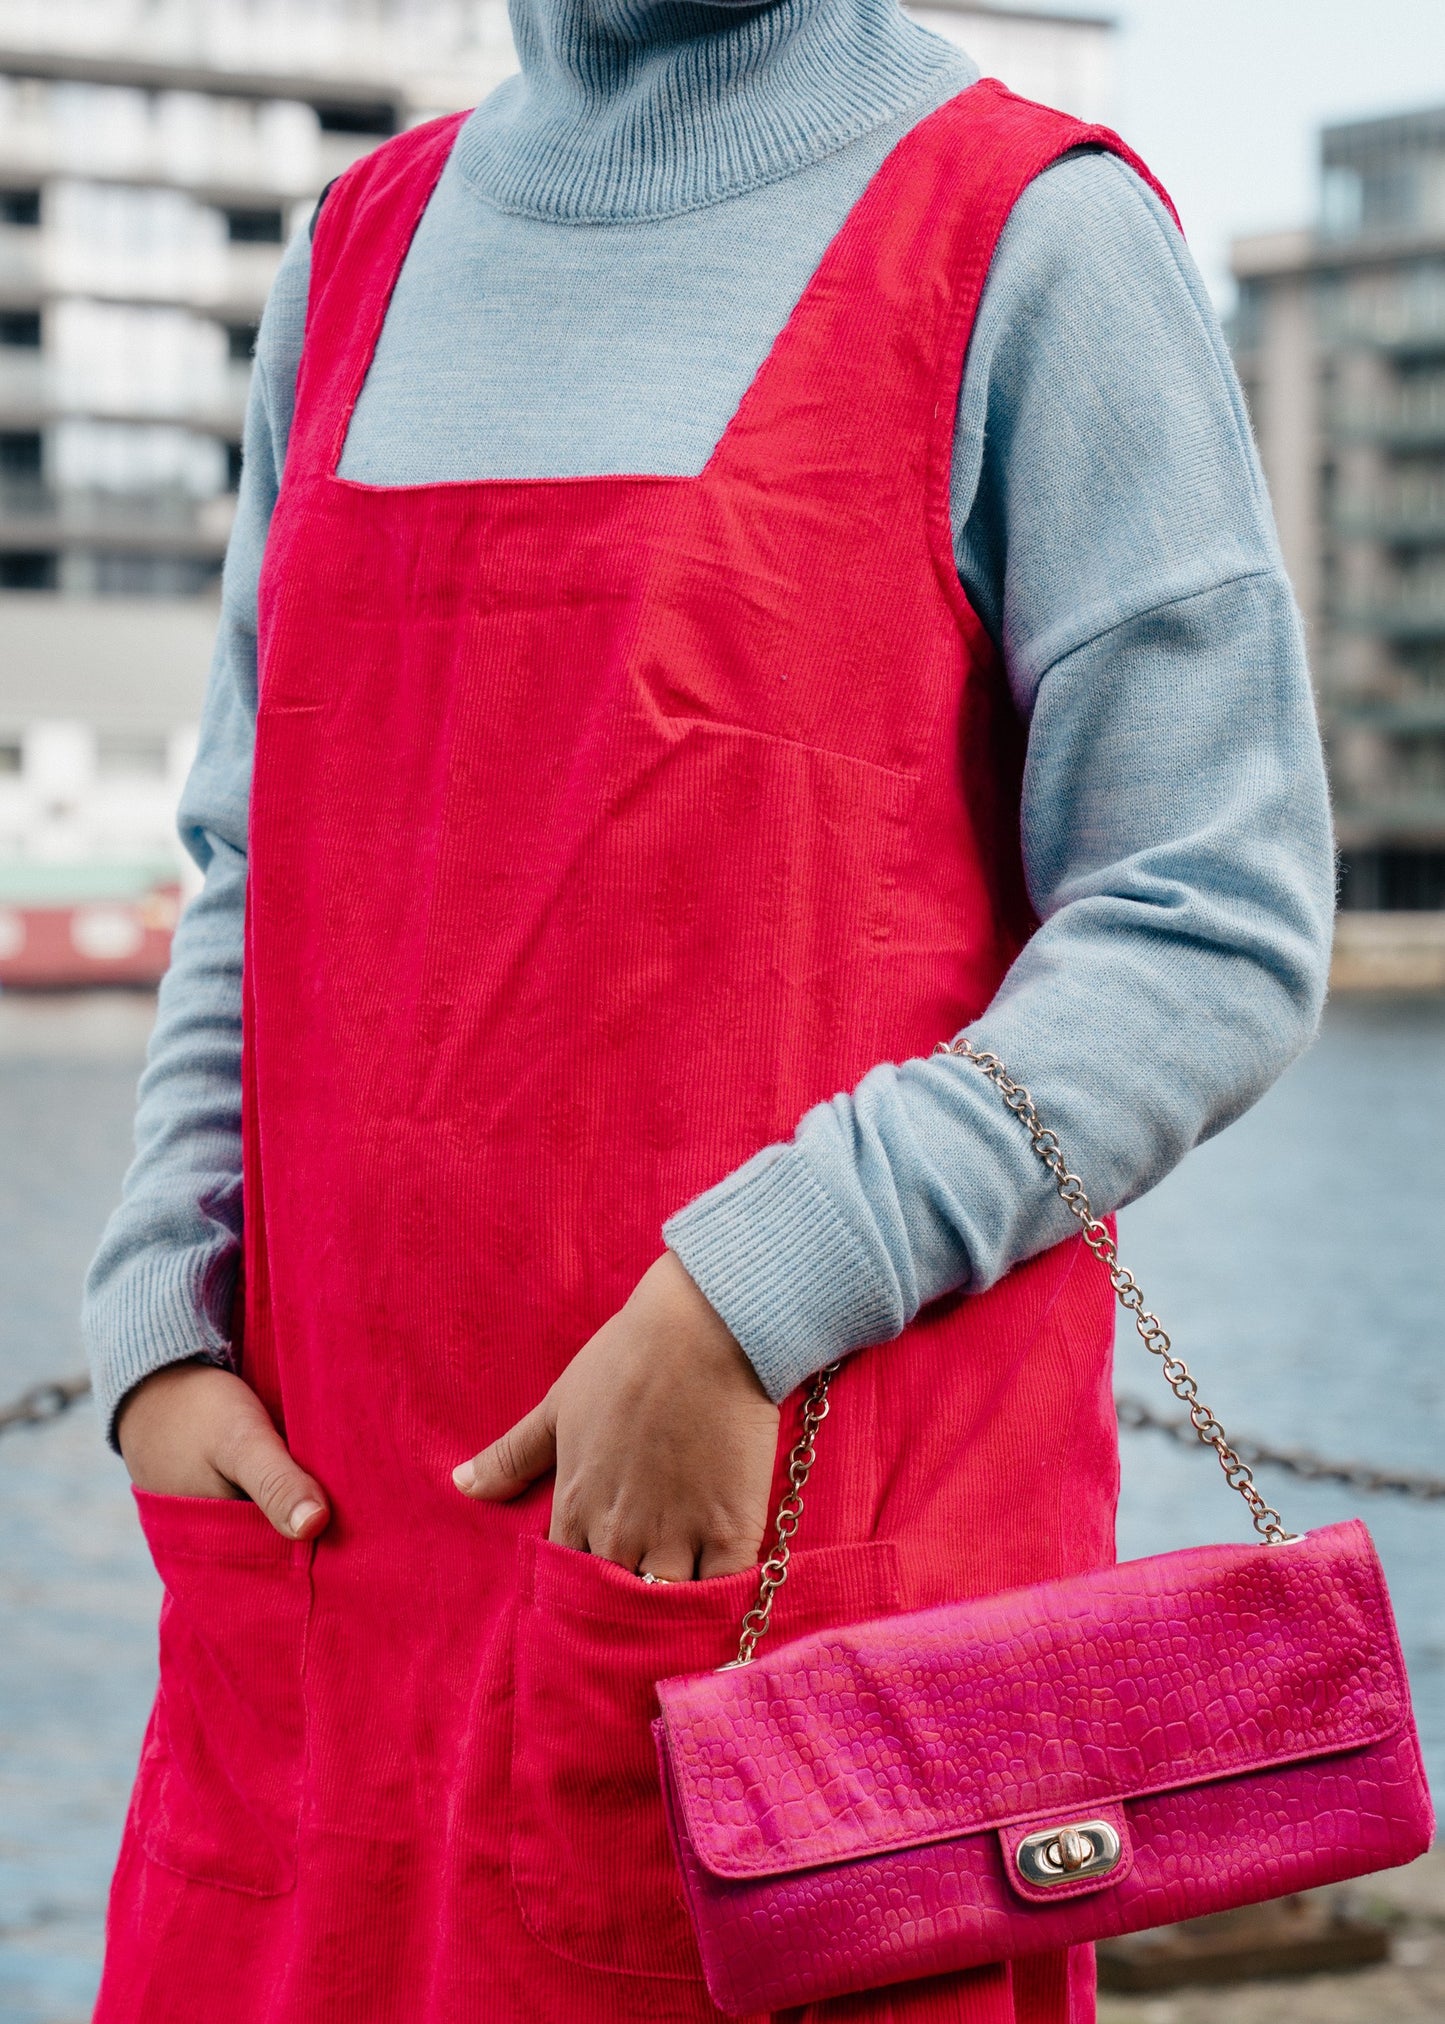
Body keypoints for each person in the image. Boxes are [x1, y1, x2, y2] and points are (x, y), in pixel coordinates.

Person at [83, 0, 1333, 2015]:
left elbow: (1217, 910)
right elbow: (253, 860)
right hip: (326, 1595)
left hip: (796, 1582)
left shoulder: (1035, 234)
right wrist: (157, 1315)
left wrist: (742, 1297)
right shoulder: (352, 260)